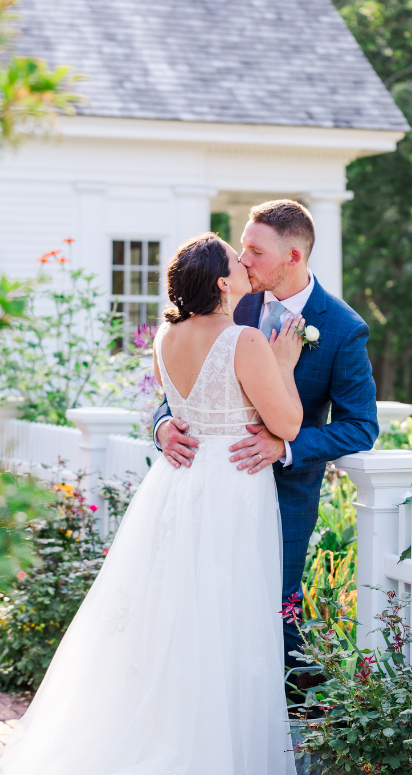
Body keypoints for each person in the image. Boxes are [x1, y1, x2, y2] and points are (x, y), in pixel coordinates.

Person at [0, 234, 305, 775]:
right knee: (219, 623)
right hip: (230, 491)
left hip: (177, 489)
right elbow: (284, 423)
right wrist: (285, 362)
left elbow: (183, 406)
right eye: (236, 261)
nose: (243, 262)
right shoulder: (248, 341)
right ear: (224, 284)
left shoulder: (166, 339)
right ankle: (196, 768)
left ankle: (157, 744)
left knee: (167, 620)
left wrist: (164, 425)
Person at [153, 200, 378, 695]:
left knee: (275, 608)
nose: (242, 258)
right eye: (242, 247)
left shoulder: (341, 328)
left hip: (286, 496)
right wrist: (163, 424)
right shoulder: (231, 302)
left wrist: (286, 448)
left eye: (255, 251)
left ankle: (292, 724)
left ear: (293, 256)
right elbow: (182, 391)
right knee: (202, 602)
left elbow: (362, 427)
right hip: (212, 487)